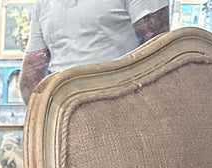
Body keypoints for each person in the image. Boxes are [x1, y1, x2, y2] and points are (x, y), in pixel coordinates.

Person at [18, 0, 170, 96]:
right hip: (68, 113)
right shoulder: (44, 3)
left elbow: (159, 54)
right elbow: (32, 74)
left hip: (123, 103)